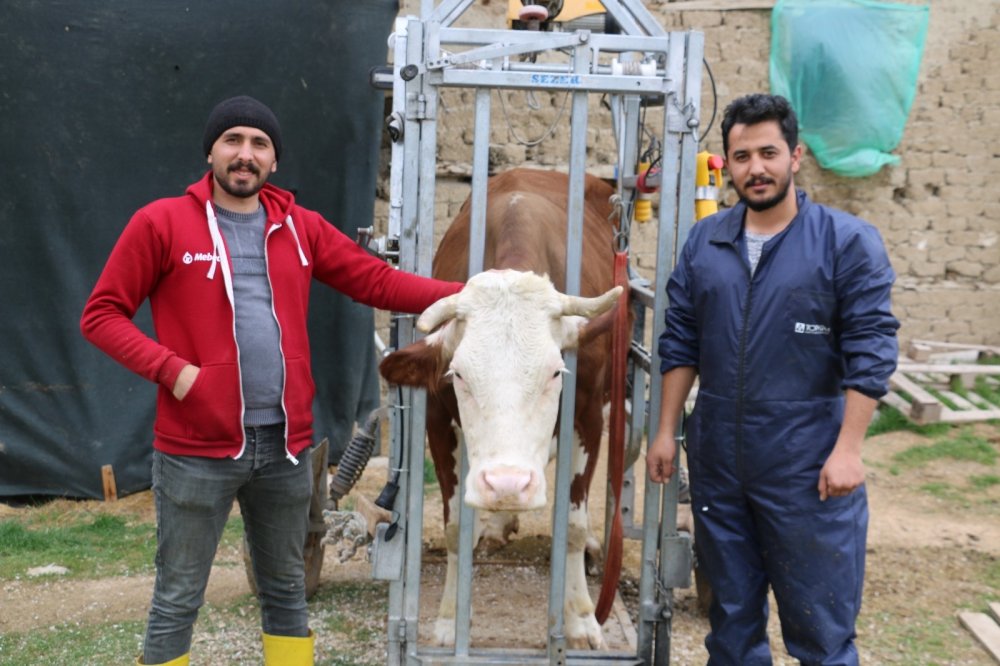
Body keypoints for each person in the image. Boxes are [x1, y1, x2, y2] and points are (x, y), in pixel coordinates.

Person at [81, 95, 463, 666]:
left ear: (274, 161)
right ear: (210, 150)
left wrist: (473, 293)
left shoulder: (298, 226)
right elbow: (101, 314)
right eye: (233, 140)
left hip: (286, 447)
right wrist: (175, 372)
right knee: (179, 596)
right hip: (195, 448)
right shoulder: (161, 222)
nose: (245, 154)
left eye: (260, 144)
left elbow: (377, 283)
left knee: (287, 590)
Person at [646, 93, 899, 664]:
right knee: (731, 624)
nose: (755, 168)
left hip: (807, 461)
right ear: (727, 164)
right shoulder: (706, 242)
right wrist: (666, 430)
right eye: (741, 156)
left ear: (795, 155)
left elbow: (872, 349)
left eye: (768, 153)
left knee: (821, 627)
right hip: (719, 459)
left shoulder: (844, 242)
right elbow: (680, 339)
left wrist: (849, 450)